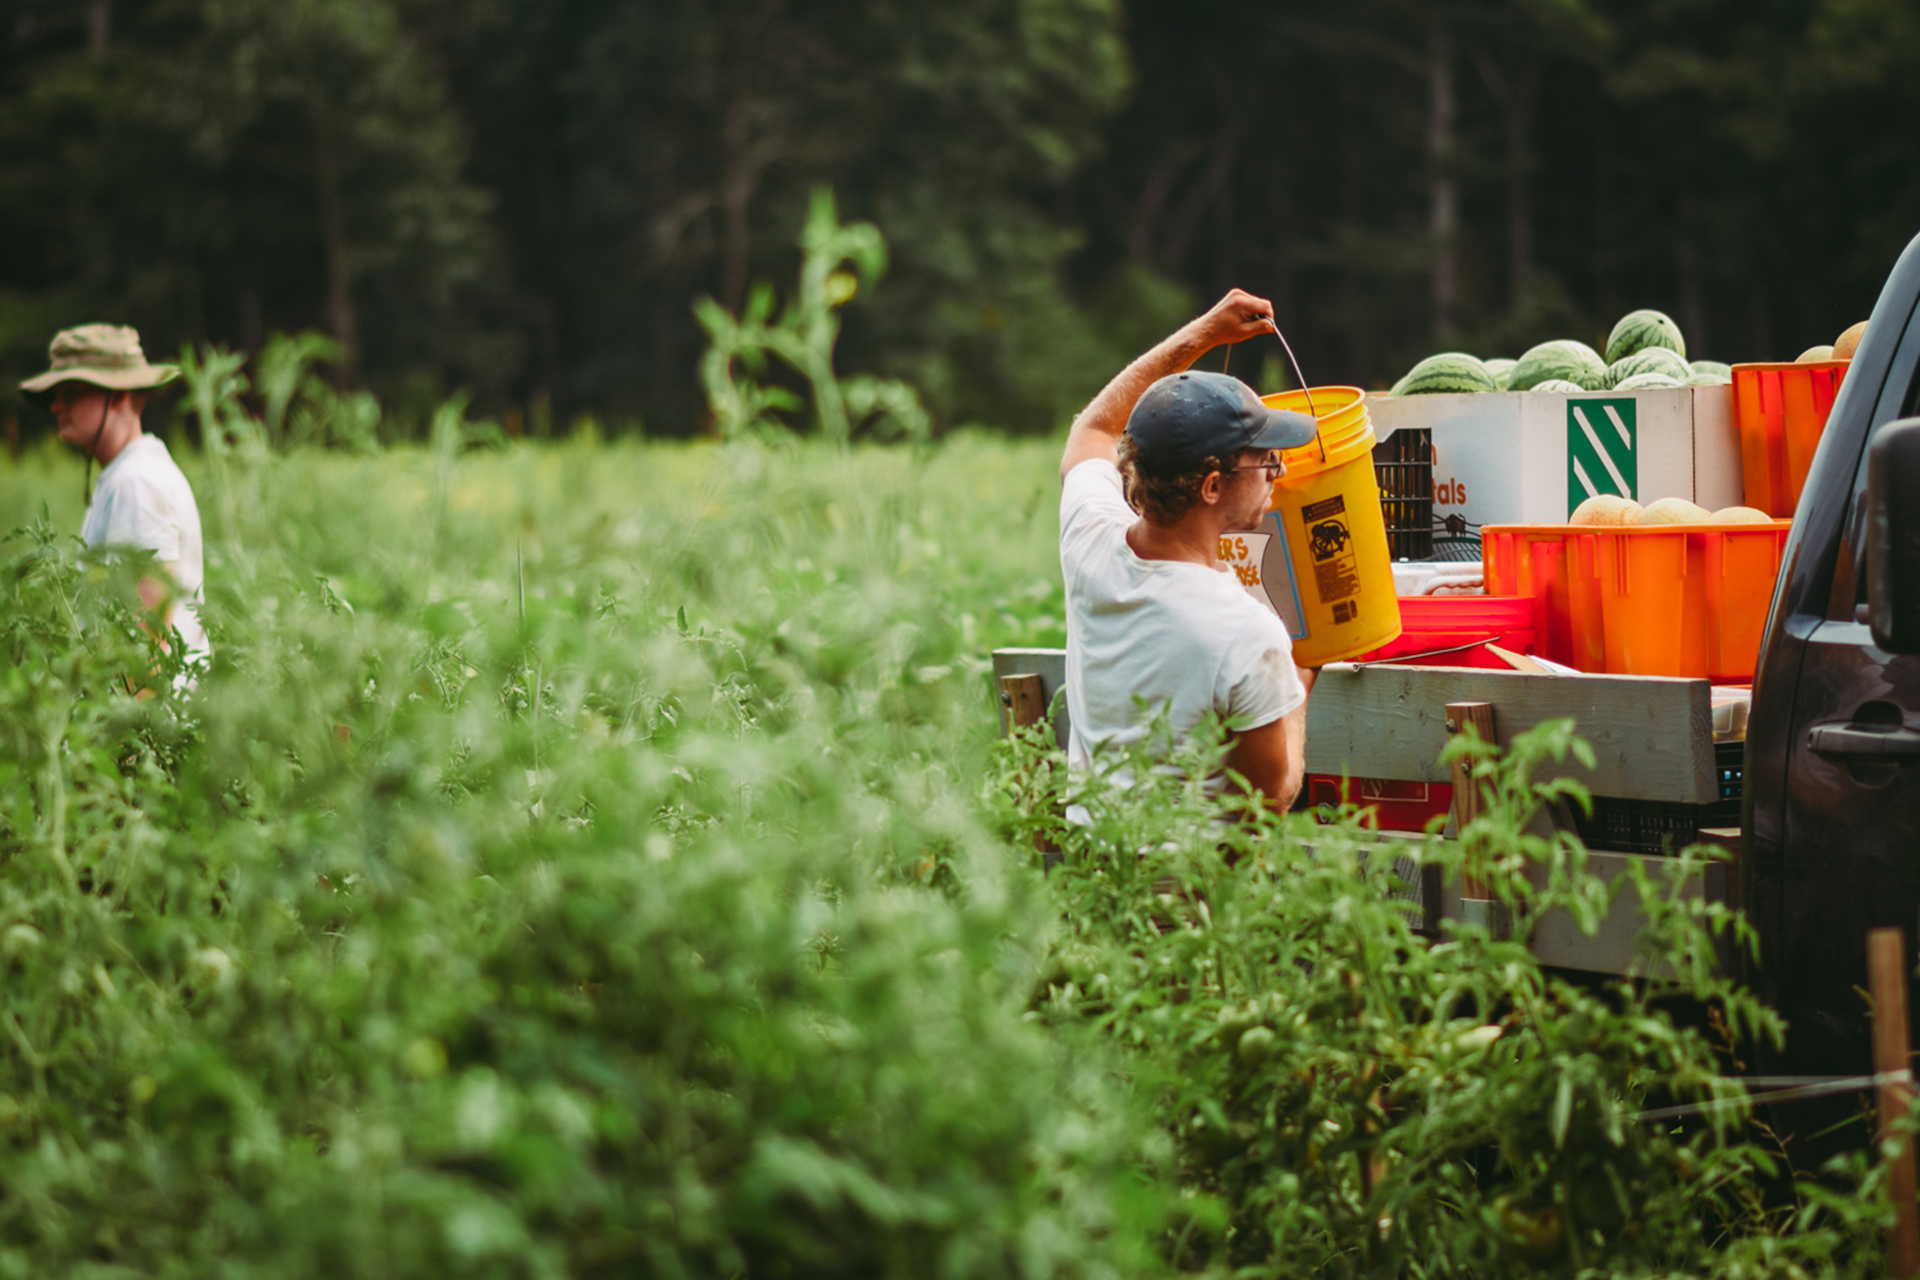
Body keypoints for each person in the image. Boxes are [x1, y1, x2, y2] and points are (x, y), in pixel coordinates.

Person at [1058, 289, 1318, 811]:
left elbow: (1095, 428)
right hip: (1188, 887)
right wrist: (1298, 678)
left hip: (1089, 867)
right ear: (1212, 486)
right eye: (1264, 458)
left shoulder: (1089, 538)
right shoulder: (1247, 632)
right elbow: (1270, 797)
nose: (1278, 469)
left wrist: (1206, 331)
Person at [20, 324, 210, 675]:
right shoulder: (129, 474)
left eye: (72, 391)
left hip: (150, 724)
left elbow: (148, 648)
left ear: (120, 394)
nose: (57, 404)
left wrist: (125, 727)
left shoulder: (137, 484)